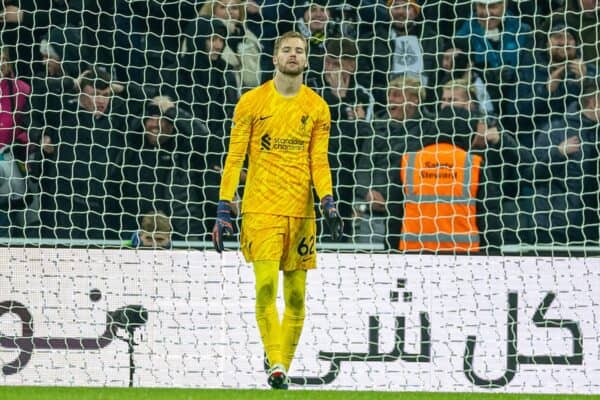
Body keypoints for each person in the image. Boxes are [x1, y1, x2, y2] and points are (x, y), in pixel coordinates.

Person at [211, 31, 343, 390]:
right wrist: (225, 206)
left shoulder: (317, 107)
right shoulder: (251, 103)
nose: (293, 55)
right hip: (260, 210)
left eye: (299, 50)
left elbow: (319, 159)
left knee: (297, 295)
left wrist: (328, 200)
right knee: (266, 287)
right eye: (287, 49)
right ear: (274, 58)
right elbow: (235, 157)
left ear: (306, 59)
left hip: (301, 213)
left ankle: (278, 358)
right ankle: (278, 364)